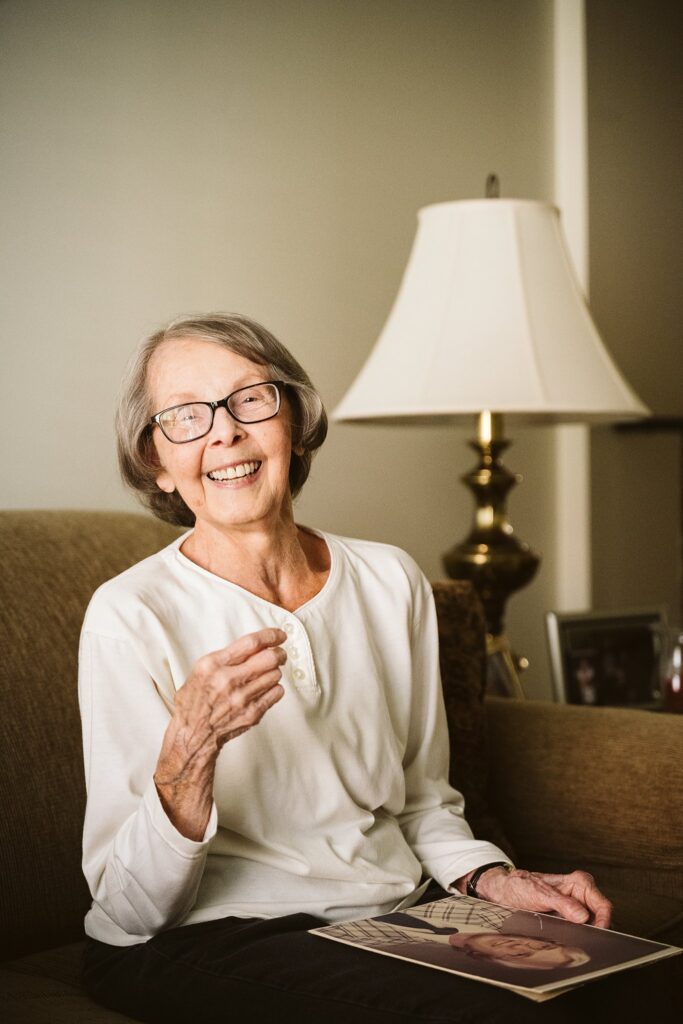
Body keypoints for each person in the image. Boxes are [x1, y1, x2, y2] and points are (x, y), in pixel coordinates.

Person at [79, 313, 612, 1023]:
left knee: (601, 980)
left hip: (388, 914)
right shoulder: (129, 613)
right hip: (206, 936)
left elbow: (422, 799)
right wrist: (189, 751)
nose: (224, 431)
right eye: (183, 416)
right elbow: (129, 908)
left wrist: (489, 877)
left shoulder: (390, 579)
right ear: (156, 462)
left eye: (250, 399)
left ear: (294, 421)